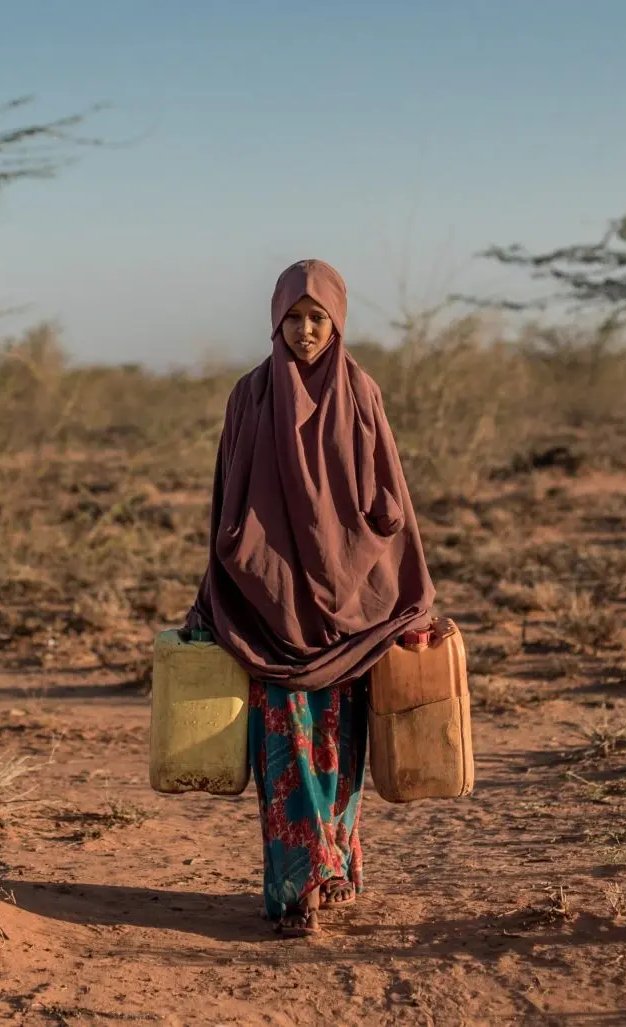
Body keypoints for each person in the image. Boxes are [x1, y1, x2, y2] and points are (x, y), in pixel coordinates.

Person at [184, 258, 435, 937]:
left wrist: (411, 598)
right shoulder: (250, 397)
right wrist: (213, 595)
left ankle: (336, 872)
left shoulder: (363, 393)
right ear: (275, 320)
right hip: (271, 606)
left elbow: (392, 504)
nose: (303, 331)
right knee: (287, 750)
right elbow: (225, 501)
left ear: (338, 321)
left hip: (351, 610)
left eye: (316, 318)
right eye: (292, 319)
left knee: (339, 748)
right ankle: (301, 888)